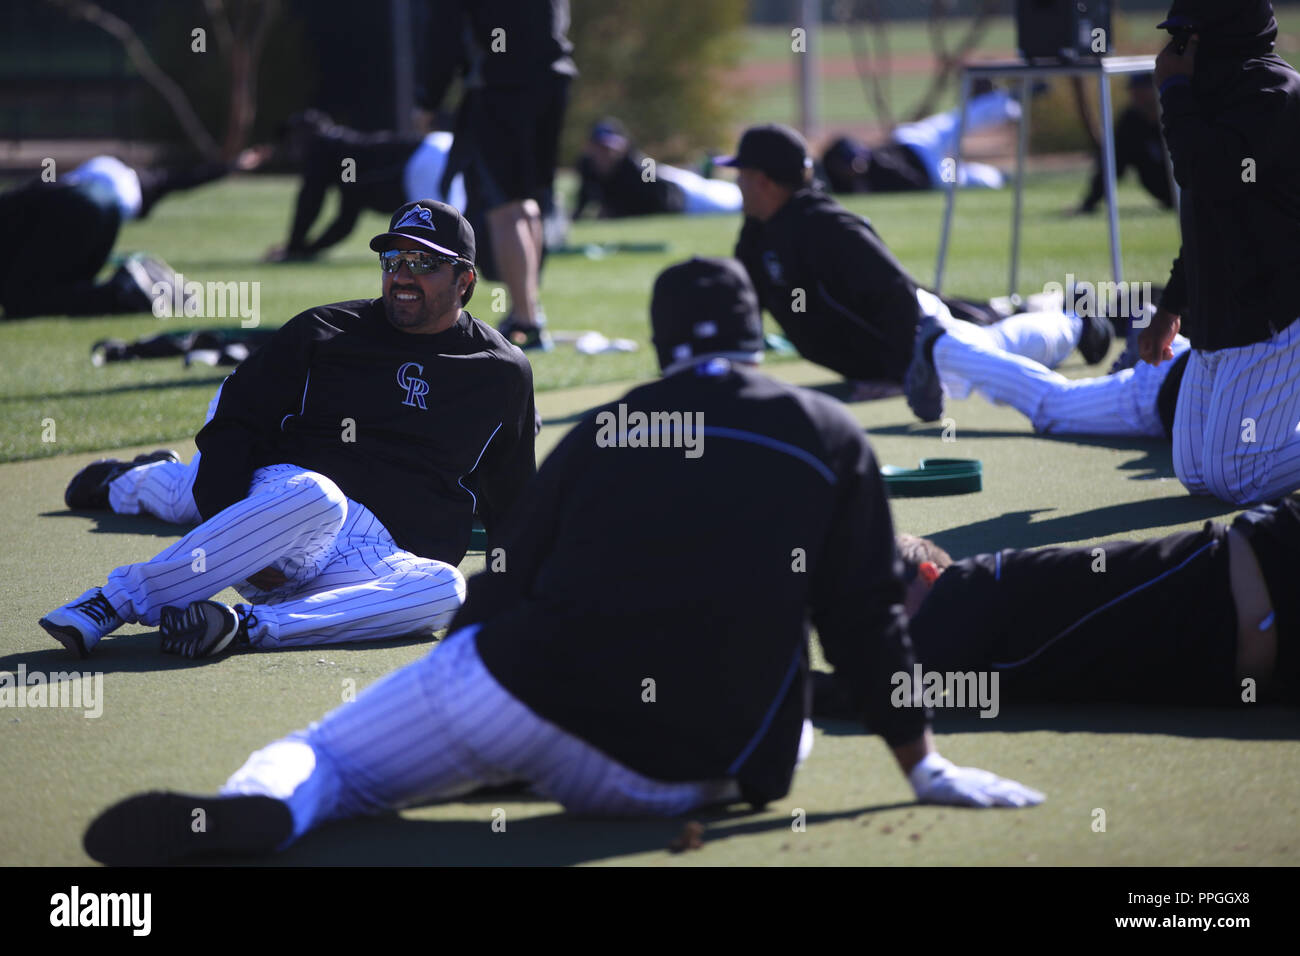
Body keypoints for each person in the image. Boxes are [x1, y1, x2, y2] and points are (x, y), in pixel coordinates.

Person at [80, 257, 1042, 866]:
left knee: (326, 758)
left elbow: (504, 577)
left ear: (664, 346)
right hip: (686, 775)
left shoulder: (613, 429)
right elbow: (867, 621)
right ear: (760, 337)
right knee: (786, 725)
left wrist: (456, 683)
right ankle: (502, 769)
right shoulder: (833, 438)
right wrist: (922, 767)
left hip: (517, 690)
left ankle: (267, 815)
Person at [40, 200, 536, 660]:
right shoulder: (324, 331)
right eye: (393, 260)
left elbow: (512, 498)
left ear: (465, 282)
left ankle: (246, 627)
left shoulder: (501, 372)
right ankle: (112, 597)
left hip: (376, 560)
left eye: (424, 264)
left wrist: (523, 588)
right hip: (292, 519)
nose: (403, 276)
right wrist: (233, 527)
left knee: (447, 589)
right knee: (232, 495)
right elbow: (231, 424)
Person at [724, 123, 1114, 393]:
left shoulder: (828, 227)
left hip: (927, 342)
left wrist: (903, 374)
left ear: (763, 181)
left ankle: (1075, 319)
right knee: (985, 321)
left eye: (740, 173)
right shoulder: (757, 232)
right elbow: (746, 302)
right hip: (884, 357)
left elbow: (896, 293)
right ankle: (1044, 305)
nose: (736, 182)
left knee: (992, 351)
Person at [815, 499, 1299, 715]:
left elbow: (889, 688)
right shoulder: (981, 661)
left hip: (1280, 557)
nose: (884, 629)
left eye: (887, 609)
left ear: (928, 574)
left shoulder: (970, 586)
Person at [1141, 0, 1300, 506]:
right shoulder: (1214, 96)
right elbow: (1207, 221)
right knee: (1198, 475)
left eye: (1188, 36)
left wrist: (1173, 92)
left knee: (1237, 478)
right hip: (1221, 321)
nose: (1175, 52)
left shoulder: (1272, 92)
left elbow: (1203, 170)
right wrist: (1171, 307)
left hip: (1276, 317)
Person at [421, 0, 576, 351]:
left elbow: (443, 31)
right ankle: (529, 314)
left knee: (507, 208)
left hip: (500, 85)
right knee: (529, 204)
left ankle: (527, 320)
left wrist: (428, 97)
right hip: (554, 77)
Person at [0, 152, 244, 319]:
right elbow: (183, 179)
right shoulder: (142, 179)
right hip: (101, 215)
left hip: (79, 207)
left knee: (21, 300)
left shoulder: (95, 171)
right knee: (61, 289)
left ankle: (125, 291)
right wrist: (231, 166)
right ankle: (133, 287)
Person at [903, 302, 1192, 437]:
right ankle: (944, 347)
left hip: (1189, 358)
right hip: (1169, 386)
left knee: (989, 339)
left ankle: (1073, 325)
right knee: (1053, 404)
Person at [264, 110, 466, 263]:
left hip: (425, 161)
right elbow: (344, 220)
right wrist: (304, 250)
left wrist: (294, 247)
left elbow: (310, 201)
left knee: (440, 242)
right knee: (460, 226)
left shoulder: (323, 148)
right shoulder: (344, 155)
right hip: (443, 144)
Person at [822, 84, 1022, 194]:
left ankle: (1010, 101)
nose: (856, 166)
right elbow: (915, 184)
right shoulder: (854, 184)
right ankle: (999, 176)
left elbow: (845, 144)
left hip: (914, 142)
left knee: (957, 121)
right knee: (969, 177)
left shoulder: (841, 158)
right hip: (929, 165)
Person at [573, 118, 742, 218]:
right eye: (599, 147)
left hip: (683, 193)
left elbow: (658, 197)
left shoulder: (642, 165)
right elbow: (585, 198)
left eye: (610, 148)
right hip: (672, 178)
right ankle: (700, 169)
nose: (605, 153)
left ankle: (703, 169)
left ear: (622, 147)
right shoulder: (587, 166)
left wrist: (616, 212)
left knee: (735, 203)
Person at [1076, 74, 1174, 215]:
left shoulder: (1176, 114)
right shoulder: (1130, 122)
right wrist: (1090, 202)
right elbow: (1114, 163)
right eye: (1133, 90)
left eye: (1142, 89)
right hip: (1163, 194)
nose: (1136, 95)